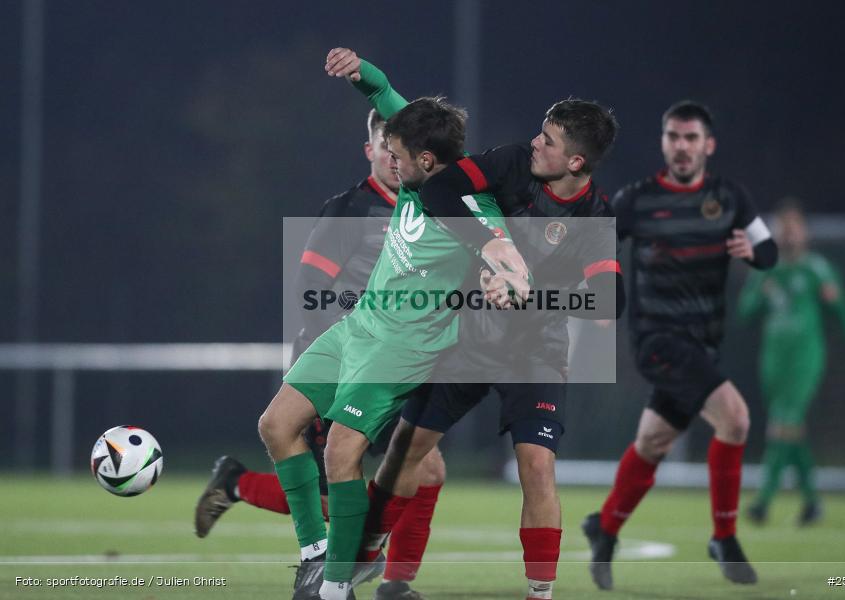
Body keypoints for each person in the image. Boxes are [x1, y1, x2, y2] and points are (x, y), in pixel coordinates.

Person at [324, 48, 623, 600]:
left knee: (537, 465)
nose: (536, 142)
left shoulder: (596, 215)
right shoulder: (512, 162)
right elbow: (437, 182)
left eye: (549, 140)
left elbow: (610, 300)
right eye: (540, 132)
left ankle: (541, 593)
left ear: (576, 163)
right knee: (407, 450)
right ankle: (369, 555)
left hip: (535, 349)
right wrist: (493, 251)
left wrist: (529, 288)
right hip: (465, 336)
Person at [261, 56, 530, 600]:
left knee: (341, 451)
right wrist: (361, 70)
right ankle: (317, 557)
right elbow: (384, 94)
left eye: (398, 154)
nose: (390, 159)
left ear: (426, 160)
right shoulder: (421, 168)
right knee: (276, 425)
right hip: (359, 326)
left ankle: (335, 590)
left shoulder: (471, 206)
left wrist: (511, 279)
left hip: (404, 349)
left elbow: (501, 248)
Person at [193, 110, 444, 600]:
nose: (394, 158)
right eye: (384, 146)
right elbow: (311, 289)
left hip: (392, 361)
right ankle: (243, 488)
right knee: (332, 493)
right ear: (369, 150)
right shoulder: (350, 209)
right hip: (346, 359)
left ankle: (394, 582)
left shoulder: (426, 207)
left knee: (425, 467)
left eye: (401, 148)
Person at [581, 100, 779, 590]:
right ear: (663, 142)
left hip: (703, 344)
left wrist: (753, 254)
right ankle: (724, 537)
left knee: (653, 442)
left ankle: (603, 528)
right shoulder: (638, 199)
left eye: (691, 138)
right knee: (735, 418)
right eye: (673, 136)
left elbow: (770, 251)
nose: (682, 146)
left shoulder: (730, 197)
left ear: (708, 145)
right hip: (656, 340)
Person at [739, 198, 845, 525]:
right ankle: (813, 502)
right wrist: (760, 288)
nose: (787, 236)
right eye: (782, 230)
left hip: (806, 358)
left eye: (793, 229)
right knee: (791, 430)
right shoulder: (766, 267)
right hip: (773, 360)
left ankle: (763, 502)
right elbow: (745, 313)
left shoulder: (818, 269)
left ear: (804, 234)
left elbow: (844, 315)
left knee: (782, 423)